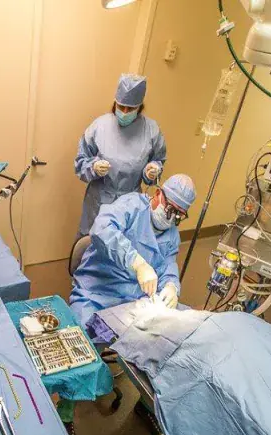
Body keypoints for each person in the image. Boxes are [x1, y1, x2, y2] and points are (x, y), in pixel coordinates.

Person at [70, 174, 196, 328]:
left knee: (181, 327)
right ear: (158, 194)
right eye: (170, 209)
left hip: (135, 301)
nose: (171, 218)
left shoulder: (172, 234)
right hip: (97, 294)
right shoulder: (132, 206)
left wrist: (171, 286)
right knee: (83, 335)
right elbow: (102, 229)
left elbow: (169, 265)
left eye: (178, 215)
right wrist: (136, 262)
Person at [74, 74, 167, 238]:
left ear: (139, 107)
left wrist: (152, 171)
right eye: (121, 106)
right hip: (98, 202)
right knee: (88, 244)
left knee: (120, 246)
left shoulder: (151, 130)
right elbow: (81, 162)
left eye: (130, 109)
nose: (124, 112)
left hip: (129, 204)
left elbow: (158, 160)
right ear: (115, 102)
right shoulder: (99, 126)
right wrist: (93, 167)